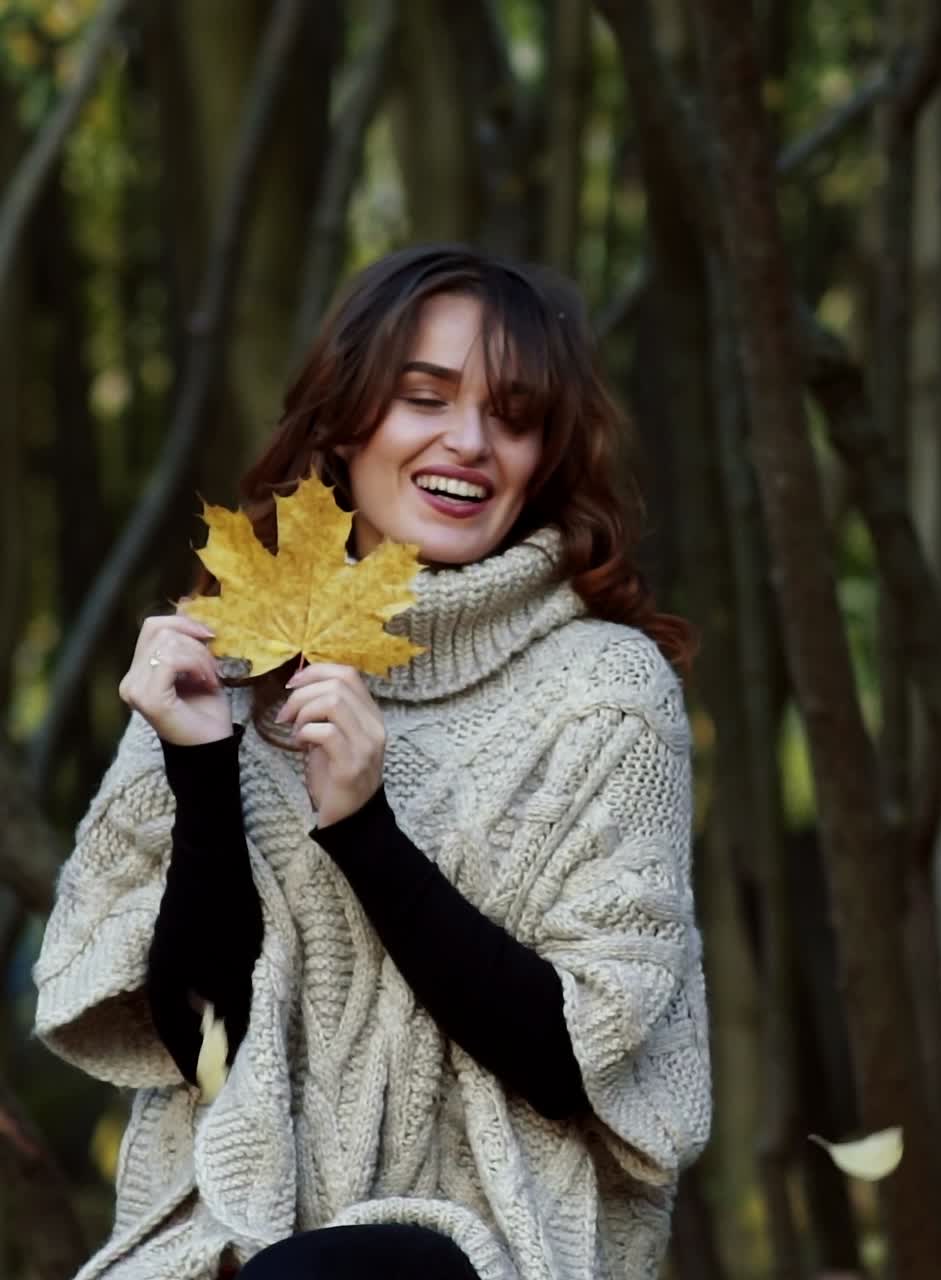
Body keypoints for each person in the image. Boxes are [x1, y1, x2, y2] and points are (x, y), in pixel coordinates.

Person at [32, 245, 712, 1280]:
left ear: (546, 456)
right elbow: (200, 1044)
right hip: (233, 1234)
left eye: (514, 416)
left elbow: (577, 1061)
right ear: (345, 422)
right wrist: (203, 773)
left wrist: (363, 829)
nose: (468, 441)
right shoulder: (225, 659)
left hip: (491, 1243)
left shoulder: (606, 692)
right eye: (424, 398)